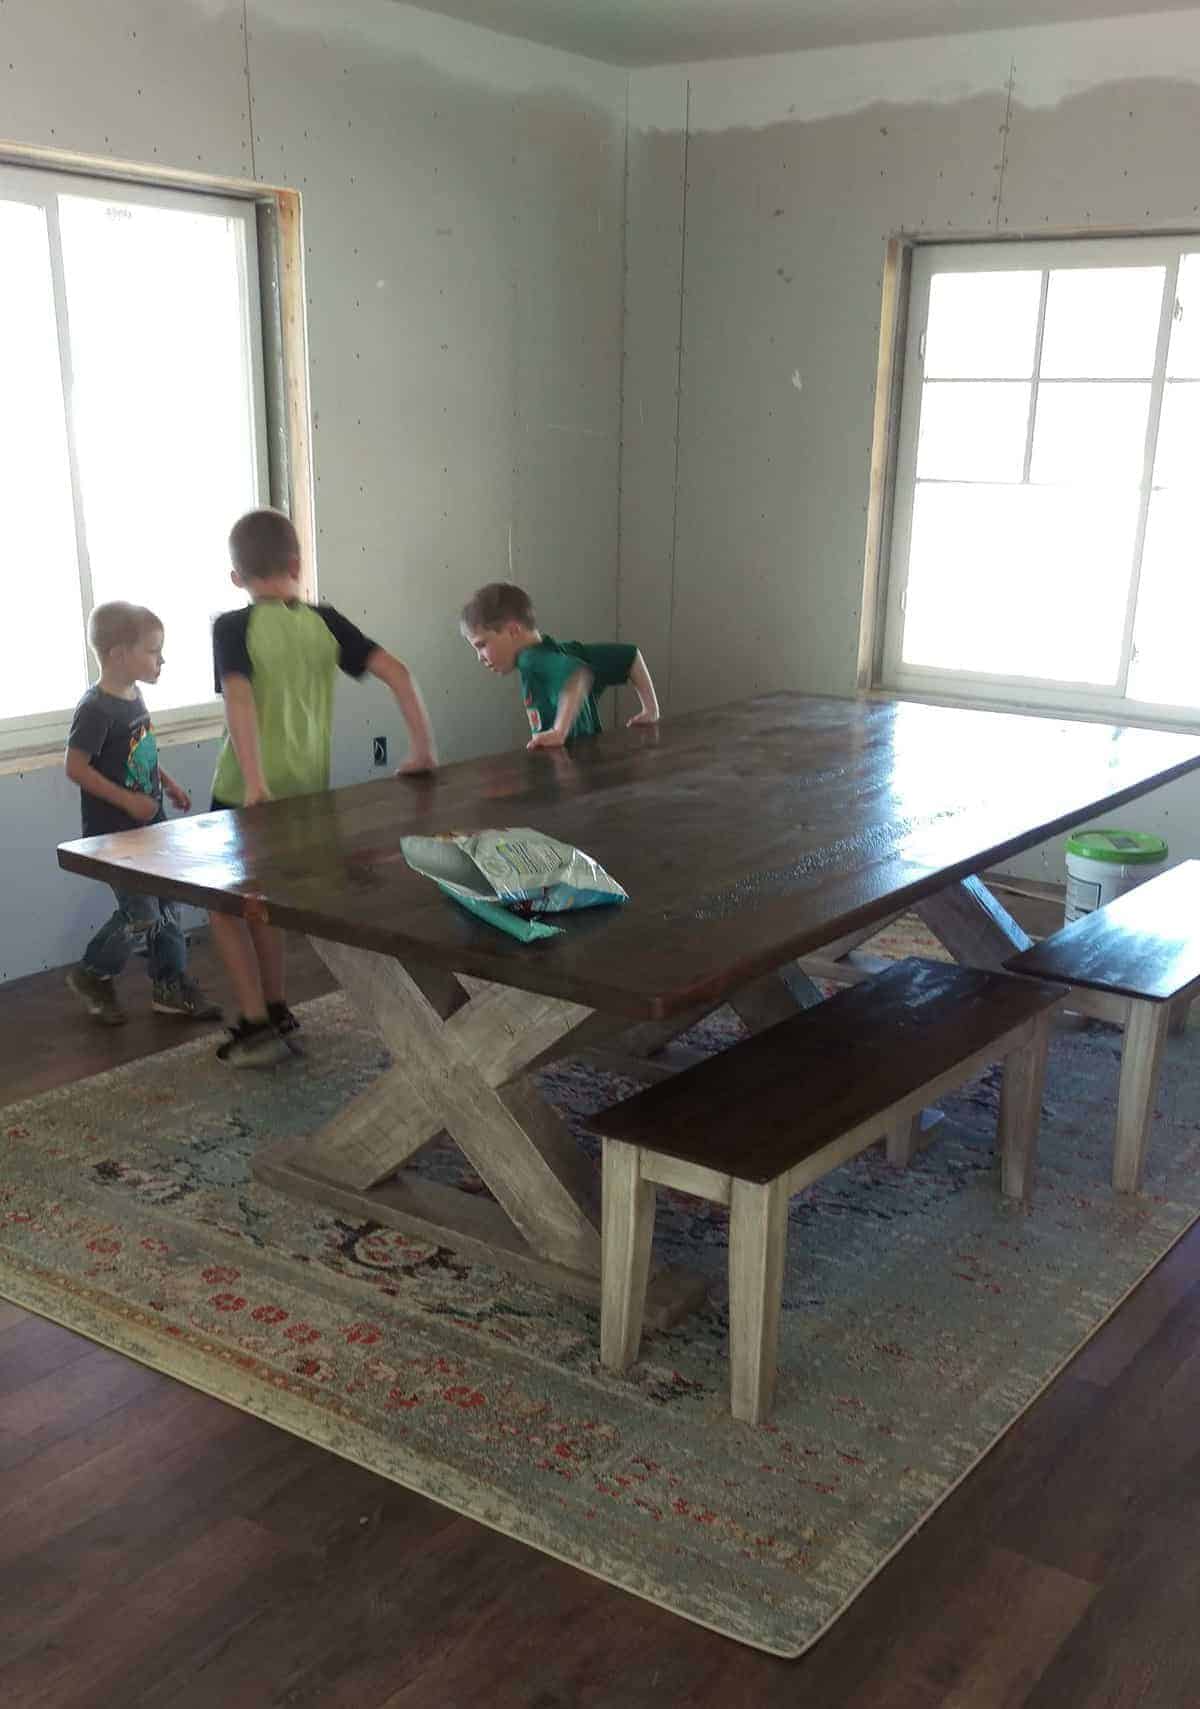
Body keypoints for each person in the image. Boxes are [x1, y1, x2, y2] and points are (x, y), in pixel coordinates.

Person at [209, 507, 437, 1067]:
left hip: (244, 793)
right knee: (265, 904)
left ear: (237, 577)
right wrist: (423, 749)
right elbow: (400, 673)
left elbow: (238, 698)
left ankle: (256, 1024)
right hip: (306, 796)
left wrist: (256, 781)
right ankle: (279, 1005)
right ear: (297, 564)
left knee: (221, 906)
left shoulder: (232, 626)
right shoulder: (326, 622)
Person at [64, 602, 220, 1028]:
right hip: (115, 837)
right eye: (153, 651)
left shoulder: (133, 696)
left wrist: (164, 782)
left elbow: (138, 752)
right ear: (118, 654)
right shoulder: (95, 709)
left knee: (169, 903)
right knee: (142, 915)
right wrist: (127, 801)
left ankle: (169, 985)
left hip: (151, 827)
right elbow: (75, 767)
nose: (162, 660)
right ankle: (92, 974)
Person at [459, 583, 659, 749]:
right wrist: (651, 711)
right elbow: (631, 656)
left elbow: (577, 674)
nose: (480, 657)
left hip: (570, 774)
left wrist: (558, 732)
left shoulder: (531, 659)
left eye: (481, 645)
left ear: (512, 631)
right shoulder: (567, 651)